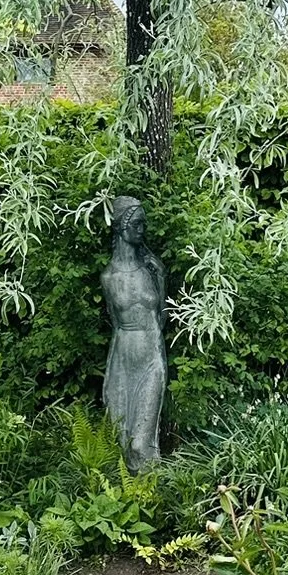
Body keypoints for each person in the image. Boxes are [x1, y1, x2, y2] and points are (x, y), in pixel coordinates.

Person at [101, 195, 166, 471]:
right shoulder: (108, 277)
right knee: (122, 440)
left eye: (143, 224)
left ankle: (151, 494)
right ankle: (138, 502)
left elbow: (162, 315)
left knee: (142, 444)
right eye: (137, 224)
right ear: (121, 227)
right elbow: (116, 325)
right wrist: (109, 374)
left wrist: (160, 276)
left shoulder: (151, 270)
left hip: (151, 355)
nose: (142, 230)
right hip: (124, 359)